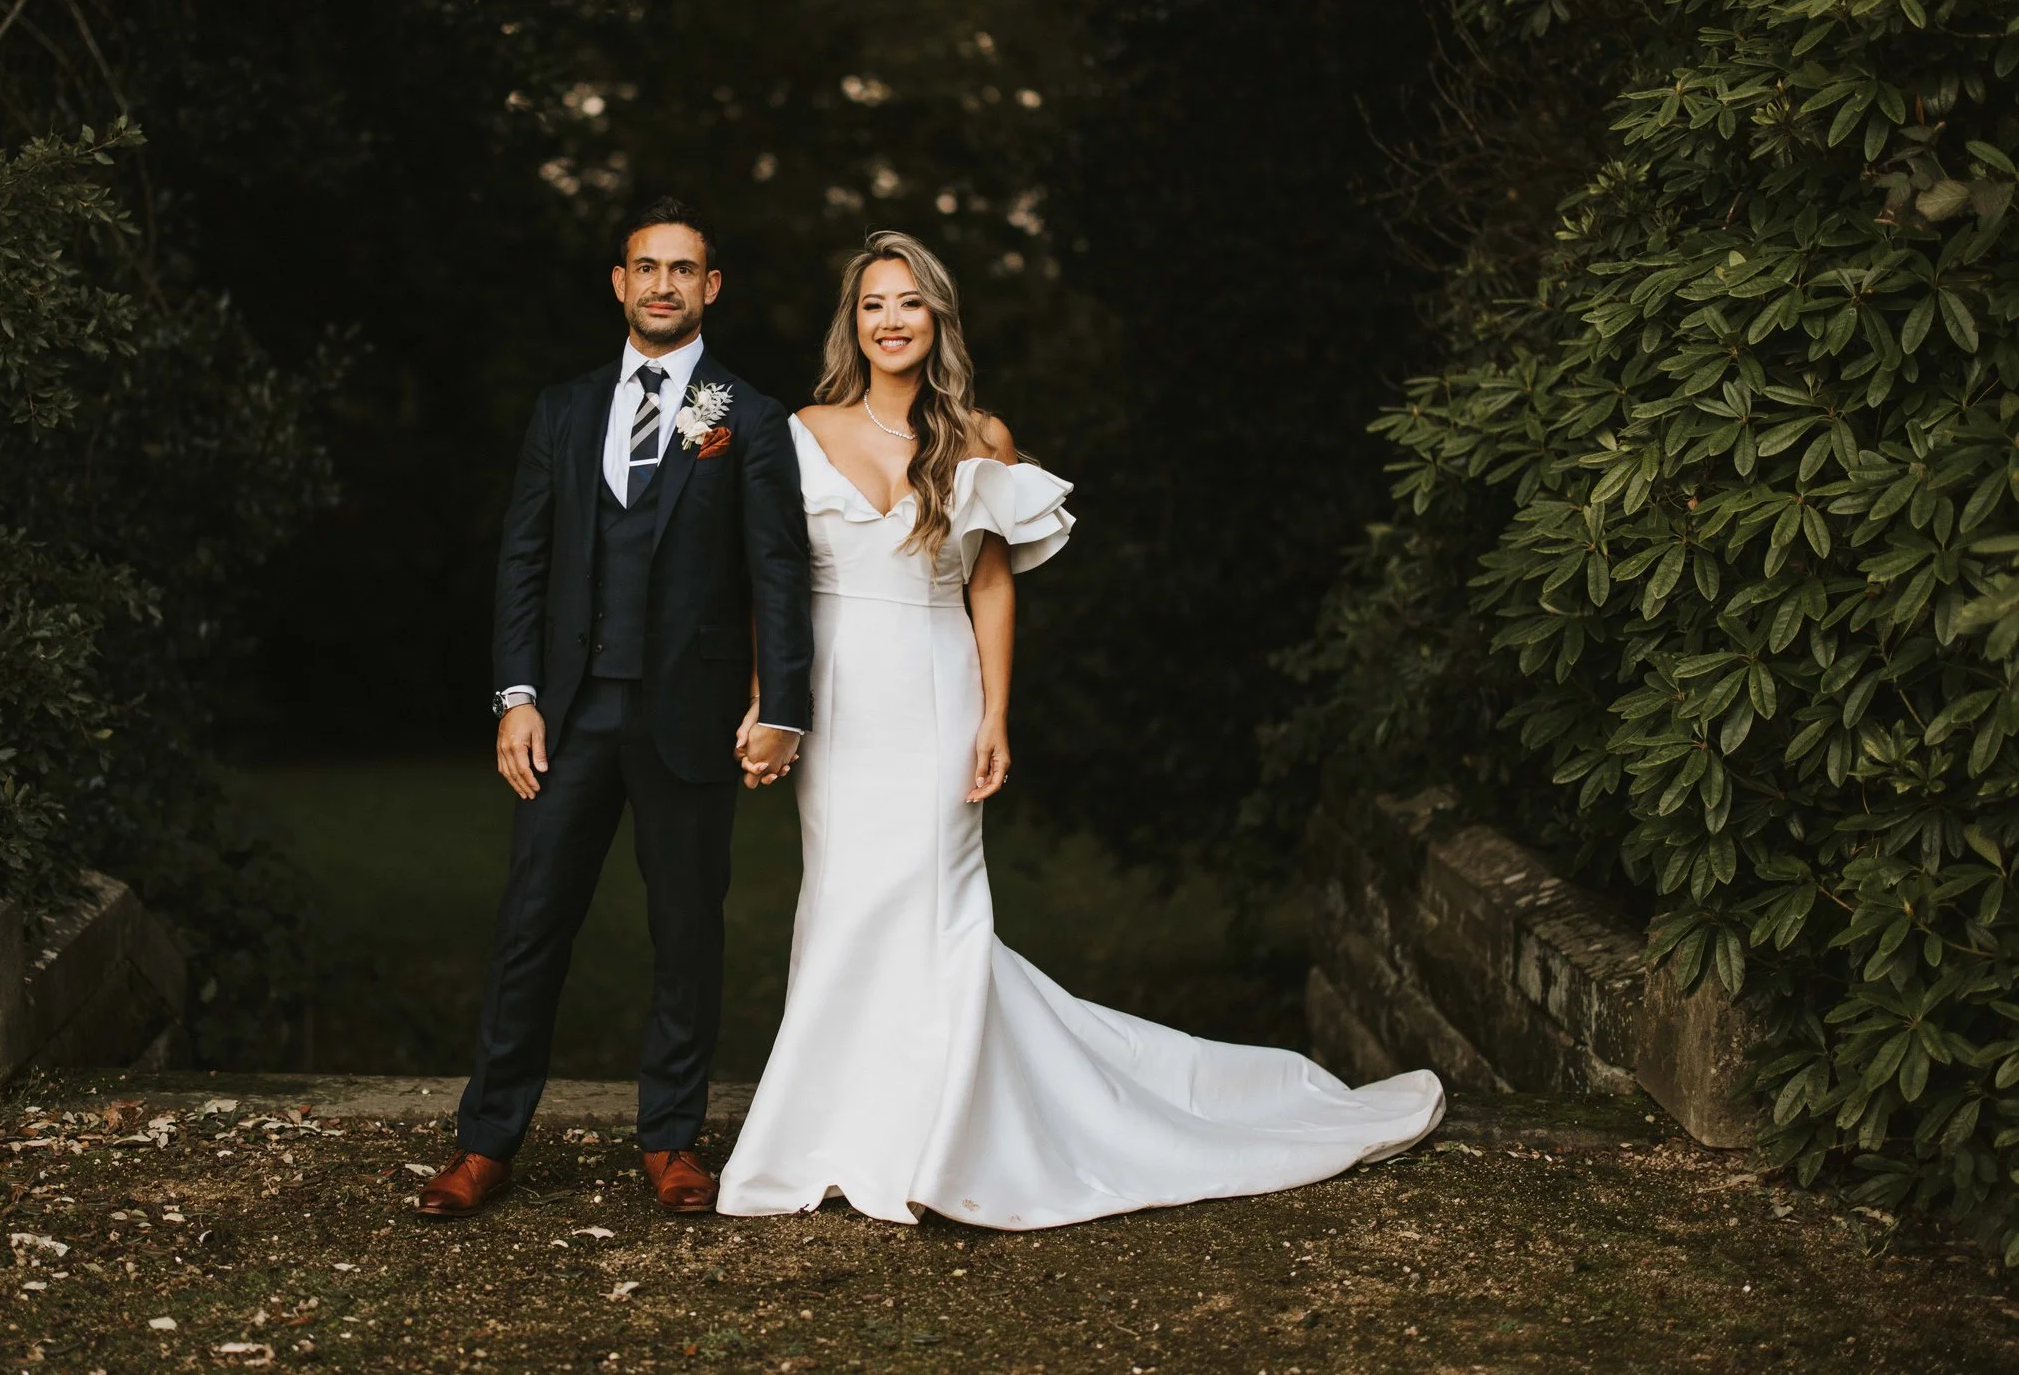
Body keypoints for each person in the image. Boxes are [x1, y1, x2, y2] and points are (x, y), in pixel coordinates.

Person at [714, 231, 1444, 1228]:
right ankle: (839, 1137)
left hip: (936, 690)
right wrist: (771, 700)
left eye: (909, 303)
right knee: (844, 903)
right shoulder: (800, 432)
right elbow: (775, 587)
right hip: (838, 699)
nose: (889, 319)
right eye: (873, 303)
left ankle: (939, 1141)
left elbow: (990, 586)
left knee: (936, 908)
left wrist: (997, 716)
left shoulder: (980, 438)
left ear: (937, 322)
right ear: (854, 322)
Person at [419, 198, 814, 1219]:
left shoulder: (750, 416)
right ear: (618, 281)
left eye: (683, 270)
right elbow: (525, 560)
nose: (662, 286)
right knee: (530, 923)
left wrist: (786, 705)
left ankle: (672, 1140)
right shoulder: (562, 409)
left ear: (710, 287)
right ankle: (486, 1142)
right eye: (646, 267)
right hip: (569, 712)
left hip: (691, 712)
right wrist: (515, 695)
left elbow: (779, 571)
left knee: (685, 932)